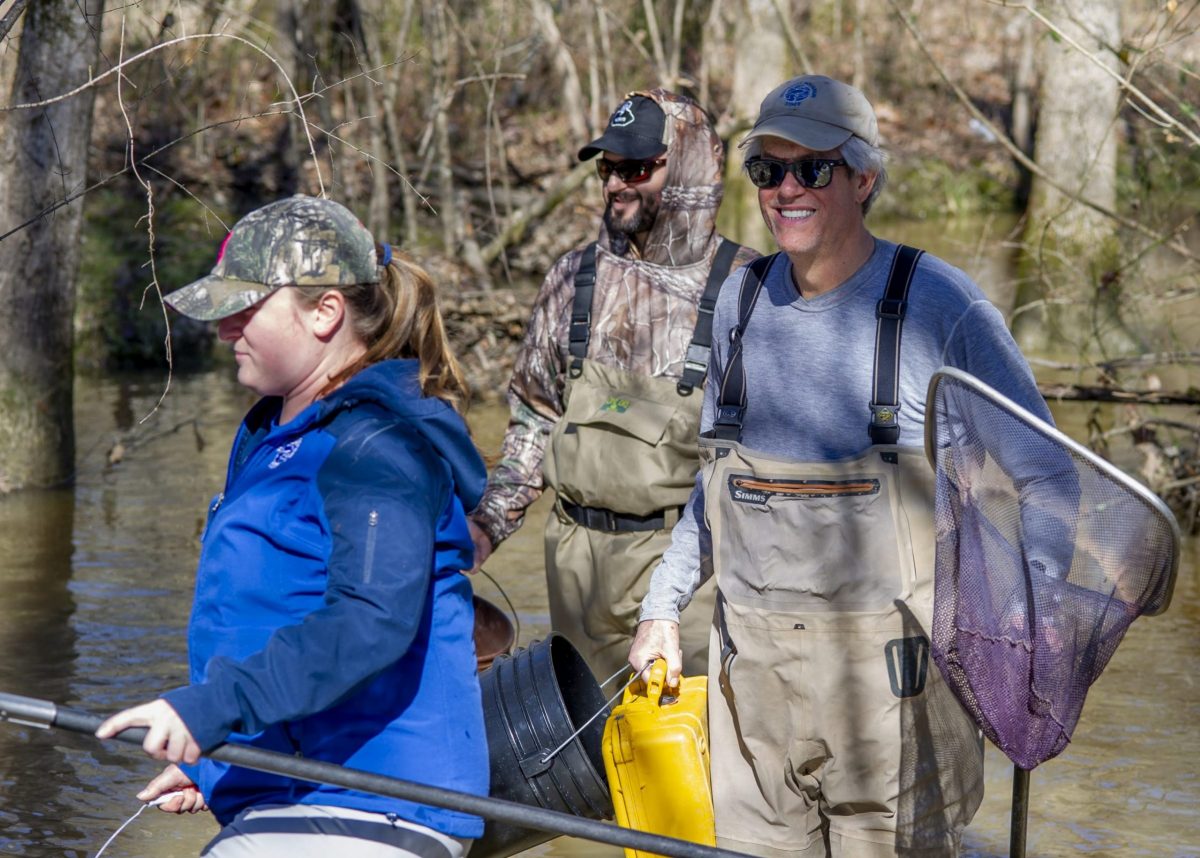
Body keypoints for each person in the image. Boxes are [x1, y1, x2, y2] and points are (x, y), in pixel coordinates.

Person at [629, 75, 1055, 857]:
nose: (786, 190)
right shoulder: (739, 301)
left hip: (892, 706)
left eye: (812, 169)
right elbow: (715, 485)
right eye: (768, 170)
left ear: (863, 179)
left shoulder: (940, 307)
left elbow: (1048, 477)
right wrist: (662, 607)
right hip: (751, 701)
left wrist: (1031, 627)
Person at [95, 195, 488, 858]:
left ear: (325, 311)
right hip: (292, 791)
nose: (224, 328)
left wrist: (212, 708)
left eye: (245, 307)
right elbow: (279, 605)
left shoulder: (375, 444)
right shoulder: (280, 432)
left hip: (376, 799)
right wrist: (219, 761)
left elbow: (369, 619)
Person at [467, 89, 759, 680]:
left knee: (687, 760)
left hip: (688, 577)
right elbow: (534, 423)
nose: (614, 184)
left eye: (636, 168)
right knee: (581, 765)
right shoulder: (571, 279)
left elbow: (765, 466)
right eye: (607, 168)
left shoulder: (748, 288)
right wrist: (483, 529)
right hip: (574, 571)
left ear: (687, 169)